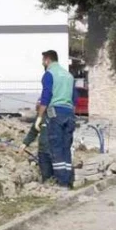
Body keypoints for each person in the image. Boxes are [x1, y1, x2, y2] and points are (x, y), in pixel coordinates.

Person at [36, 50, 76, 187]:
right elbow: (74, 97)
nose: (42, 63)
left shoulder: (49, 74)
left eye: (43, 61)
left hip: (56, 113)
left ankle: (61, 183)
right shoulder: (69, 75)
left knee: (56, 148)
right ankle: (68, 180)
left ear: (47, 60)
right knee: (66, 147)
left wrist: (39, 116)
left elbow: (46, 95)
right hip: (69, 113)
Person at [20, 112, 53, 182]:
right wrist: (24, 144)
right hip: (43, 152)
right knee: (46, 175)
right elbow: (33, 132)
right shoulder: (41, 117)